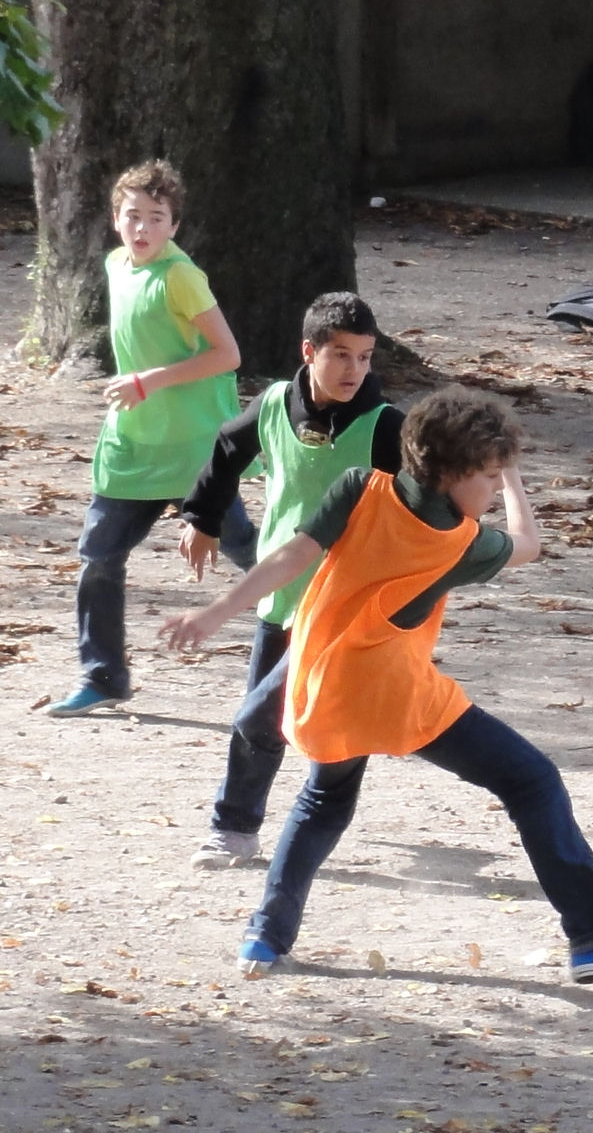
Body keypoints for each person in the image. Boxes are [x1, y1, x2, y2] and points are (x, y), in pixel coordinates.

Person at [160, 385, 593, 986]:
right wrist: (517, 484)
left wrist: (214, 613)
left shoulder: (359, 487)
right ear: (453, 474)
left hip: (321, 682)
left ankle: (264, 938)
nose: (490, 489)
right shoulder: (463, 541)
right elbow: (530, 545)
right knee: (532, 780)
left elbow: (289, 559)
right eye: (487, 476)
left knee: (322, 803)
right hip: (396, 694)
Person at [178, 292, 405, 870]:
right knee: (264, 720)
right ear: (309, 352)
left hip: (346, 608)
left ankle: (259, 824)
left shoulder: (386, 429)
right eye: (341, 355)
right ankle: (239, 830)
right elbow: (228, 449)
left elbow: (424, 507)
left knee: (277, 719)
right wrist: (203, 519)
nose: (355, 370)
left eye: (365, 357)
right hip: (280, 597)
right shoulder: (276, 404)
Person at [47, 160, 256, 717]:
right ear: (116, 219)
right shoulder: (117, 264)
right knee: (98, 555)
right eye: (132, 216)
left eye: (155, 218)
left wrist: (149, 381)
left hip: (194, 453)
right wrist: (135, 391)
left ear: (174, 226)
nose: (141, 229)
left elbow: (227, 354)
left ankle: (326, 623)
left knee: (247, 554)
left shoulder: (180, 277)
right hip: (133, 447)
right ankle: (103, 676)